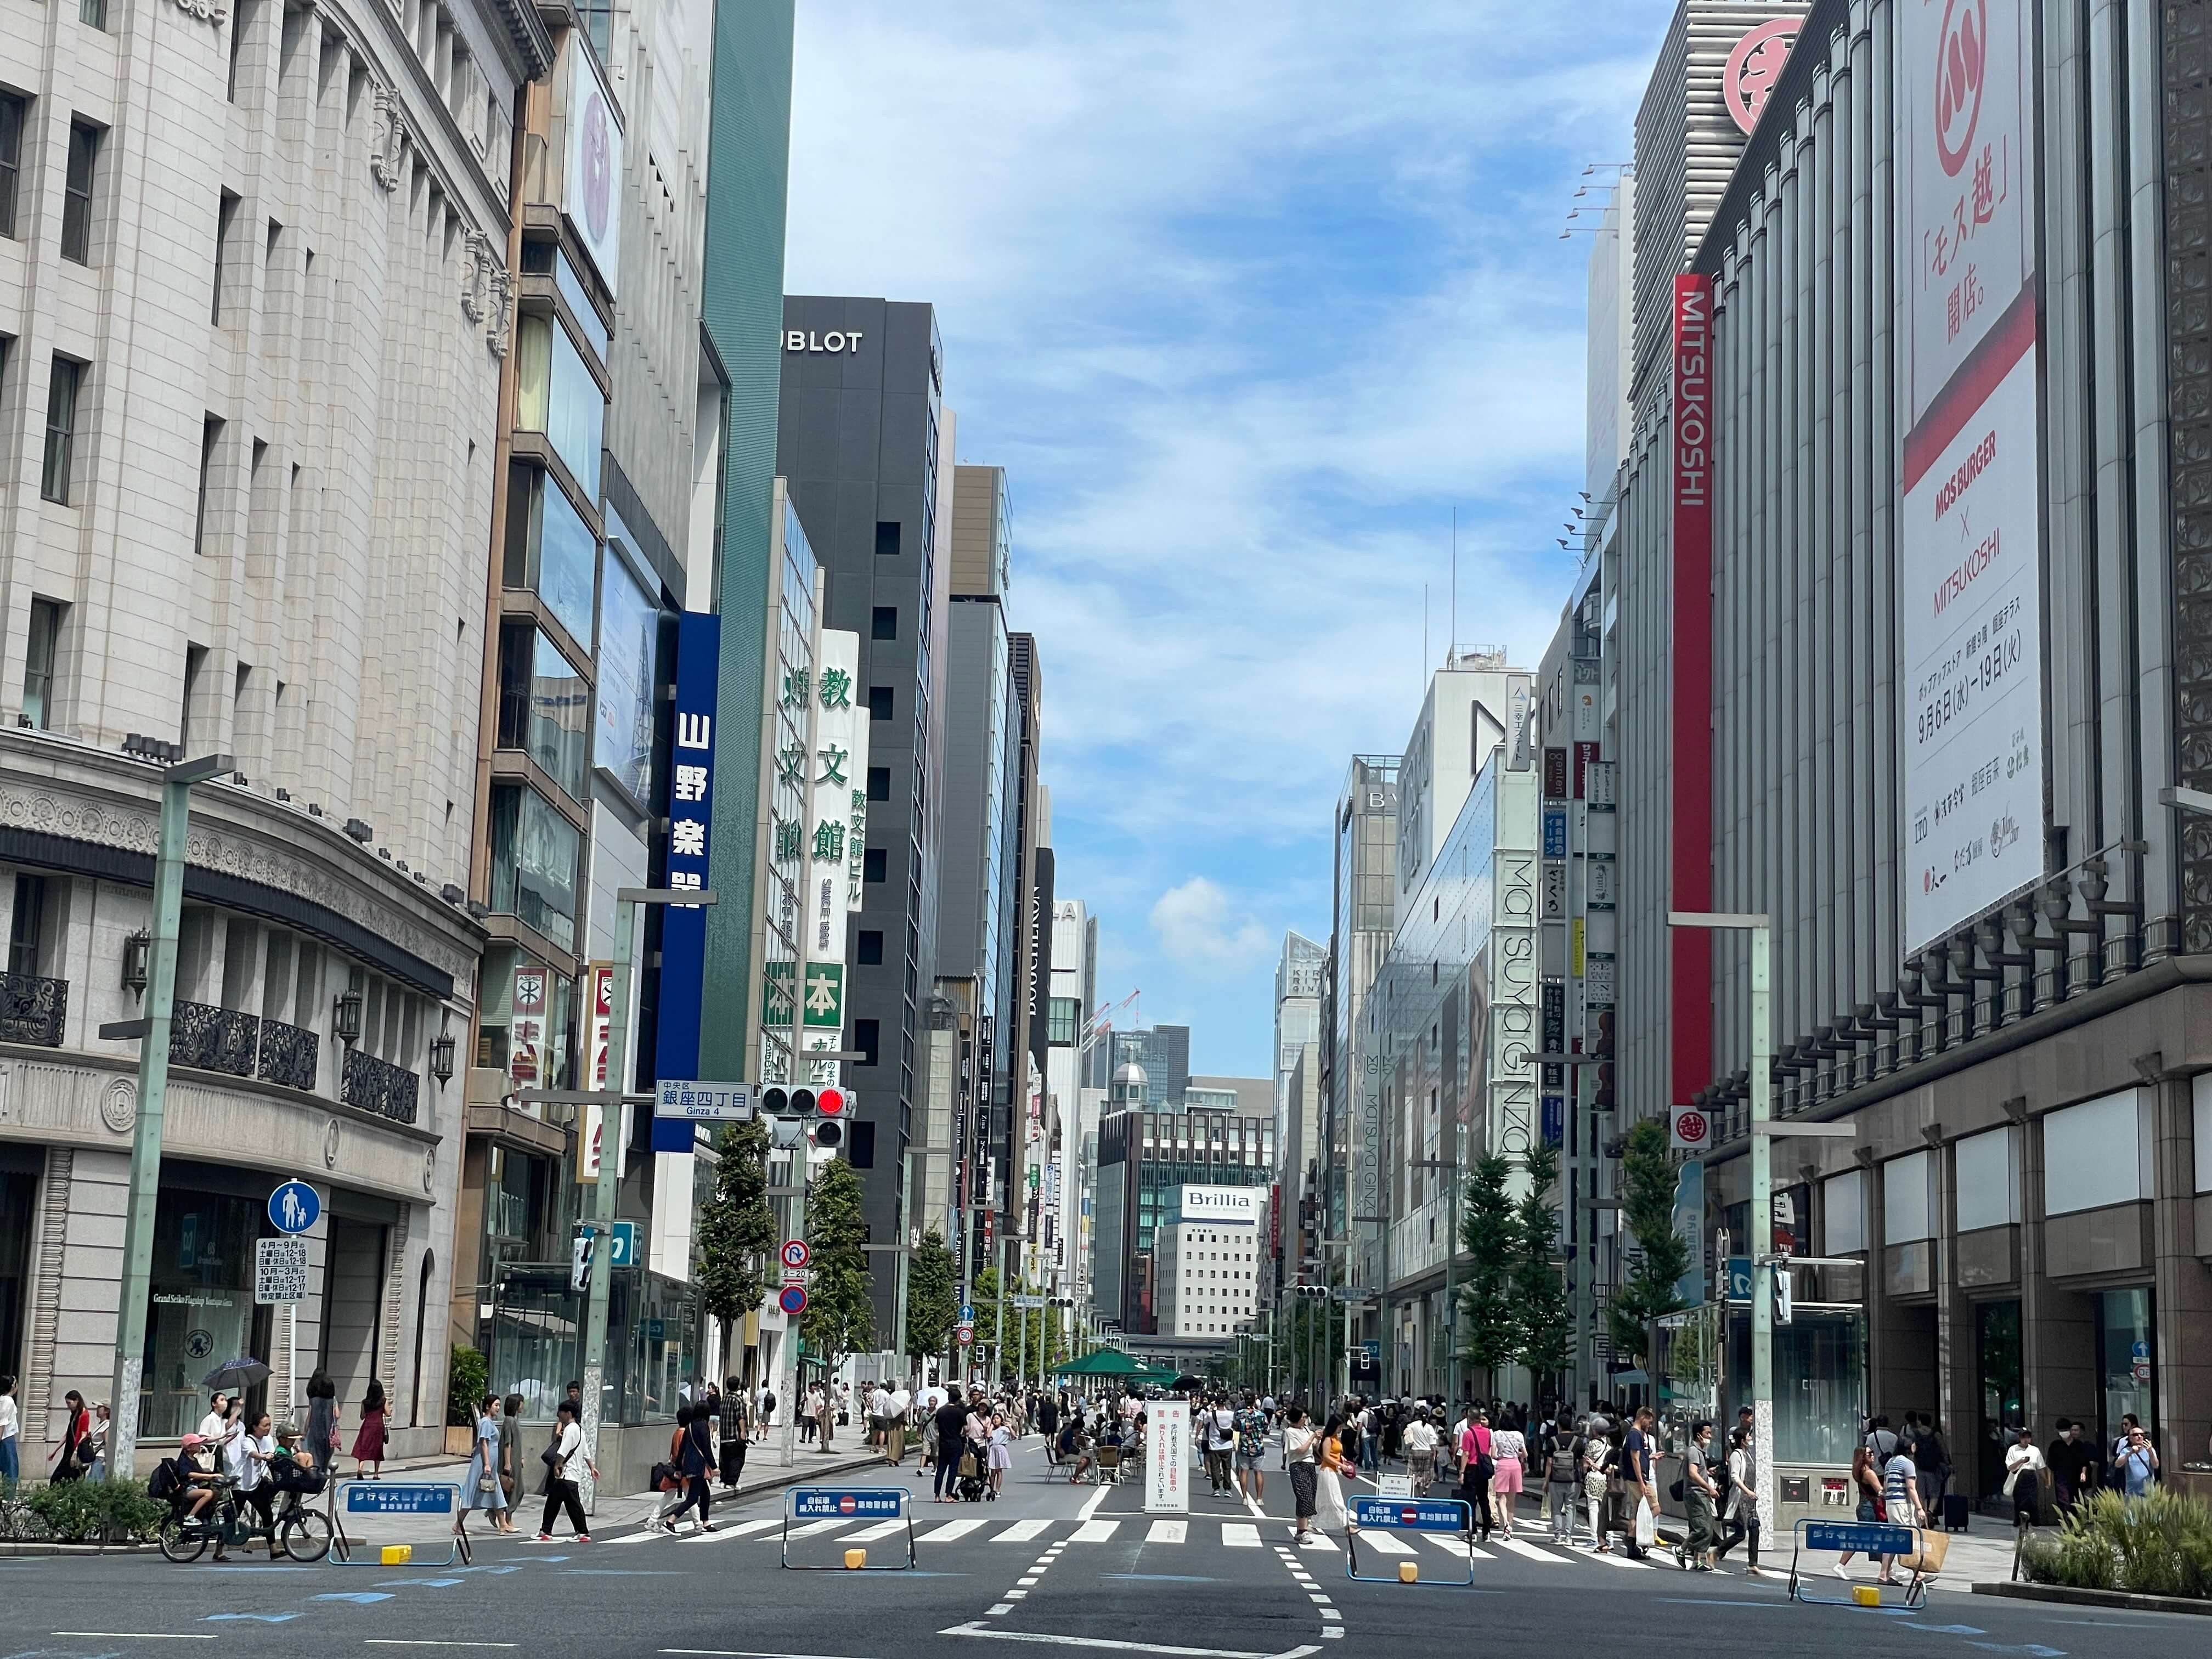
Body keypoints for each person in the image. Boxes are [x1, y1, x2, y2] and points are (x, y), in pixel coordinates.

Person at [536, 1400, 594, 1542]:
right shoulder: (580, 1429)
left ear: (568, 1413)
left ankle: (583, 1532)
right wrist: (592, 1468)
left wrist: (557, 1465)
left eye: (561, 1413)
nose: (559, 1416)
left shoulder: (570, 1429)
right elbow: (586, 1452)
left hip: (567, 1473)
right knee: (554, 1502)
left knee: (573, 1504)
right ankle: (546, 1531)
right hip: (571, 1474)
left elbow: (563, 1450)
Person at [1713, 1425, 1764, 1577]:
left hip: (1750, 1500)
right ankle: (1717, 1552)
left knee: (1755, 1529)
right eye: (1749, 1437)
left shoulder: (1748, 1454)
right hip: (1741, 1498)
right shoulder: (1737, 1455)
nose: (1751, 1439)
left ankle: (1752, 1564)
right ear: (1743, 1440)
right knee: (1741, 1533)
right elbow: (1735, 1477)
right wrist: (1747, 1491)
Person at [224, 1408, 276, 1555]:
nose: (268, 1428)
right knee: (234, 1518)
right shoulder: (247, 1440)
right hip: (241, 1484)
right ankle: (218, 1550)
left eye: (269, 1425)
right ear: (255, 1427)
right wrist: (264, 1456)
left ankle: (273, 1549)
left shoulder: (268, 1439)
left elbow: (273, 1454)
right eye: (265, 1425)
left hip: (256, 1484)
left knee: (267, 1514)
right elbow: (253, 1454)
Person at [1832, 1442, 1886, 1580]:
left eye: (1872, 1452)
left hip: (1864, 1507)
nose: (1873, 1455)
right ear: (1863, 1457)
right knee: (1861, 1538)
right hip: (1868, 1509)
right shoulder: (1868, 1472)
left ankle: (1888, 1569)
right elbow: (1880, 1491)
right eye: (1869, 1454)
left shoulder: (1860, 1471)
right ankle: (1840, 1565)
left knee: (1874, 1539)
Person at [665, 1400, 719, 1532]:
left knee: (705, 1494)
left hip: (689, 1465)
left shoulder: (690, 1426)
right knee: (692, 1498)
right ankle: (670, 1521)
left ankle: (706, 1522)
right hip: (698, 1466)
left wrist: (679, 1469)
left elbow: (682, 1448)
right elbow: (706, 1449)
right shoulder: (704, 1426)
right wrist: (714, 1467)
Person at [1675, 1419, 1720, 1572]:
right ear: (1698, 1435)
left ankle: (1697, 1561)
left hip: (1700, 1493)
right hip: (1695, 1494)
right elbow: (1693, 1474)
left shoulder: (1700, 1451)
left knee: (1704, 1527)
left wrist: (1707, 1473)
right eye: (1707, 1433)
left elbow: (1697, 1471)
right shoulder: (1694, 1451)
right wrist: (1710, 1488)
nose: (1710, 1436)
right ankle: (1681, 1549)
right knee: (1703, 1529)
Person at [459, 1395, 506, 1540]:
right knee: (473, 1491)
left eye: (499, 1405)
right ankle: (458, 1524)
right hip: (483, 1463)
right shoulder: (486, 1422)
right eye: (496, 1405)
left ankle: (503, 1524)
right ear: (488, 1407)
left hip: (489, 1464)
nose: (498, 1408)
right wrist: (486, 1464)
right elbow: (484, 1443)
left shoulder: (490, 1422)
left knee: (495, 1491)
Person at [1619, 1407, 1658, 1561]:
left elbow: (1639, 1458)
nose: (1650, 1425)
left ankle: (1632, 1543)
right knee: (1655, 1509)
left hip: (1635, 1478)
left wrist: (1652, 1457)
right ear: (1642, 1417)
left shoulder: (1634, 1434)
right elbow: (1635, 1459)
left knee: (1636, 1512)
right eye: (1649, 1421)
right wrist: (1642, 1481)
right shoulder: (1635, 1435)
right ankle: (1635, 1537)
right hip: (1639, 1479)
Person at [1457, 1408, 1494, 1543]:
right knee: (1484, 1500)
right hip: (1483, 1469)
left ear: (1470, 1419)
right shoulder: (1488, 1433)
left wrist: (1461, 1473)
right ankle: (1487, 1532)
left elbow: (1466, 1454)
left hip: (1472, 1468)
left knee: (1471, 1501)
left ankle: (1472, 1532)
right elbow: (1488, 1450)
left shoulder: (1468, 1434)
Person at [1284, 1407, 1320, 1539]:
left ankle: (1301, 1530)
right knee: (1304, 1495)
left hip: (1310, 1465)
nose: (1305, 1420)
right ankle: (1304, 1530)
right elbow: (1300, 1450)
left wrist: (1318, 1438)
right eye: (1303, 1417)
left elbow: (1314, 1446)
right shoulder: (1290, 1431)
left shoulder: (1306, 1429)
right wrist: (1312, 1437)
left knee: (1309, 1495)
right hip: (1298, 1465)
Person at [1313, 1413, 1351, 1536]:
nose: (1340, 1429)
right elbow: (1326, 1457)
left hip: (1332, 1471)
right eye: (1339, 1427)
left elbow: (1336, 1454)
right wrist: (1342, 1465)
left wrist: (1342, 1459)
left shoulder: (1335, 1438)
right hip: (1328, 1471)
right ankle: (1347, 1527)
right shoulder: (1328, 1439)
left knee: (1327, 1499)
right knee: (1336, 1500)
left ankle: (1313, 1523)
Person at [1489, 1414, 1526, 1537]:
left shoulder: (1497, 1434)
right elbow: (1525, 1454)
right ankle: (1510, 1525)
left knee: (1502, 1499)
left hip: (1503, 1465)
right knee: (1512, 1499)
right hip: (1516, 1465)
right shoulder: (1519, 1435)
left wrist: (1502, 1456)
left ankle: (1505, 1523)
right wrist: (1517, 1454)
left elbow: (1493, 1454)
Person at [933, 1386, 970, 1503]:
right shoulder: (960, 1412)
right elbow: (966, 1429)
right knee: (952, 1470)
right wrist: (961, 1433)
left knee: (941, 1469)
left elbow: (936, 1427)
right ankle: (948, 1495)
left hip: (943, 1443)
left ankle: (937, 1496)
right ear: (958, 1399)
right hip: (955, 1442)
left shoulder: (941, 1411)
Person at [1909, 1412, 1951, 1516]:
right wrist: (1948, 1463)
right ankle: (1930, 1511)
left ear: (1919, 1421)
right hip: (1933, 1468)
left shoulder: (1914, 1434)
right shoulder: (1936, 1434)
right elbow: (1944, 1450)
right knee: (1934, 1493)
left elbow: (1911, 1450)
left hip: (1918, 1467)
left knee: (1920, 1493)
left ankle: (1922, 1513)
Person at [2046, 1418, 2090, 1515]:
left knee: (2076, 1503)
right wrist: (2049, 1481)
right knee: (2064, 1502)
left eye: (2065, 1430)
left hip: (2077, 1479)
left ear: (2070, 1430)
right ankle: (2067, 1525)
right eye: (2061, 1431)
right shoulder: (2055, 1446)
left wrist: (2083, 1473)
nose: (2063, 1433)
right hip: (2061, 1479)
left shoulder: (2079, 1445)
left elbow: (2084, 1462)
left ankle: (2076, 1525)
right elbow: (2050, 1465)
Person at [1543, 1419, 1578, 1542]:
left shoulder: (1553, 1441)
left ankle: (1557, 1535)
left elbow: (1549, 1463)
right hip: (1573, 1479)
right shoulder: (1577, 1441)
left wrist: (1546, 1481)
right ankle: (1569, 1536)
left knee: (1556, 1508)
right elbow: (1584, 1463)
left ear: (1559, 1426)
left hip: (1555, 1478)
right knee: (1570, 1507)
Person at [2004, 1425, 2046, 1528]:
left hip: (2032, 1477)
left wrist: (2046, 1480)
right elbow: (2010, 1467)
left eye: (2028, 1437)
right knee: (2020, 1502)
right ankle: (2020, 1521)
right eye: (2023, 1437)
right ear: (2020, 1438)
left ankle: (2033, 1522)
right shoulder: (2013, 1449)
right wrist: (2021, 1461)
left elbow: (2041, 1466)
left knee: (2032, 1501)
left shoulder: (2035, 1450)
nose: (2026, 1440)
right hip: (2019, 1478)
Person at [1579, 1421, 1611, 1551]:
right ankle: (1609, 1537)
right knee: (1606, 1510)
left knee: (1593, 1508)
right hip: (1606, 1478)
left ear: (1595, 1430)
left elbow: (1585, 1463)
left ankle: (1594, 1537)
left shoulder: (1593, 1443)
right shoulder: (1608, 1444)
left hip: (1594, 1477)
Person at [496, 1393, 525, 1528]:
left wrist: (521, 1458)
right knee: (514, 1489)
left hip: (515, 1460)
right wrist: (508, 1463)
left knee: (516, 1489)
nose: (523, 1406)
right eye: (521, 1403)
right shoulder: (509, 1420)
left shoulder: (513, 1420)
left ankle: (507, 1517)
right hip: (510, 1462)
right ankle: (506, 1518)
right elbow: (507, 1443)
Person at [1235, 1393, 1269, 1502]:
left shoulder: (1239, 1414)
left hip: (1244, 1446)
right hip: (1258, 1446)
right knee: (1258, 1472)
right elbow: (1267, 1429)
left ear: (1244, 1401)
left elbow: (1235, 1427)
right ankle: (1259, 1498)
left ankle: (1245, 1498)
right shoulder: (1261, 1415)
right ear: (1255, 1401)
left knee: (1244, 1472)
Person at [50, 1390, 90, 1482]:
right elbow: (67, 1434)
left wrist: (75, 1453)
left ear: (77, 1401)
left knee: (64, 1477)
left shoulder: (84, 1415)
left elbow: (83, 1435)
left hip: (75, 1450)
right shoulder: (75, 1414)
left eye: (69, 1403)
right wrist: (55, 1450)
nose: (68, 1406)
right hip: (69, 1450)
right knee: (61, 1477)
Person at [306, 1369, 338, 1478]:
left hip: (315, 1429)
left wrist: (305, 1431)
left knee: (315, 1453)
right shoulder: (332, 1400)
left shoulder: (313, 1399)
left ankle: (316, 1475)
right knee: (327, 1454)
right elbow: (337, 1415)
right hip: (329, 1429)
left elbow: (310, 1415)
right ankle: (323, 1474)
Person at [719, 1376, 751, 1487]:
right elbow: (741, 1417)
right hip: (734, 1435)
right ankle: (731, 1482)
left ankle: (723, 1480)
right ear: (738, 1386)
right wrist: (743, 1432)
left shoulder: (725, 1398)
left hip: (724, 1435)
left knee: (725, 1459)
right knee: (737, 1459)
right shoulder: (737, 1399)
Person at [353, 1381, 388, 1479]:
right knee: (377, 1448)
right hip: (378, 1426)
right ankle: (376, 1474)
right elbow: (388, 1413)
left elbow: (362, 1416)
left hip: (367, 1426)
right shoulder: (383, 1401)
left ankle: (360, 1469)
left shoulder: (365, 1402)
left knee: (363, 1447)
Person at [1403, 1406, 1439, 1499]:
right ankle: (1425, 1491)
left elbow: (1406, 1432)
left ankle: (1418, 1494)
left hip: (1415, 1451)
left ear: (1417, 1415)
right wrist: (1434, 1454)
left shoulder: (1413, 1425)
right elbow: (1433, 1443)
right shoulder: (1429, 1427)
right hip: (1427, 1452)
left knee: (1415, 1473)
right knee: (1427, 1474)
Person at [2117, 1424, 2159, 1498]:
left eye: (2142, 1435)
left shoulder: (2150, 1450)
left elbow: (2156, 1465)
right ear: (2130, 1438)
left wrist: (2150, 1452)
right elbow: (2117, 1464)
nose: (2139, 1436)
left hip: (2148, 1494)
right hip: (2132, 1494)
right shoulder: (2126, 1451)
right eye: (2136, 1435)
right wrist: (2130, 1453)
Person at [987, 1411, 1013, 1499]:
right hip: (992, 1449)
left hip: (1001, 1449)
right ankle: (992, 1489)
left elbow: (1014, 1436)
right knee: (992, 1471)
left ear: (1001, 1420)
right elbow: (988, 1436)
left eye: (997, 1419)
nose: (995, 1420)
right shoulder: (991, 1429)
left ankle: (998, 1489)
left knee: (999, 1471)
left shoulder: (1004, 1429)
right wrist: (991, 1427)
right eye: (994, 1419)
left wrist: (1009, 1427)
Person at [82, 1403, 109, 1483]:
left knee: (94, 1482)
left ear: (106, 1411)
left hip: (101, 1457)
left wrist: (107, 1459)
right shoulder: (101, 1424)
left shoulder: (107, 1424)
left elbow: (107, 1442)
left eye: (100, 1407)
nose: (97, 1409)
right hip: (95, 1457)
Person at [888, 1380, 912, 1465]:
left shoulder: (891, 1407)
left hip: (891, 1426)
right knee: (897, 1443)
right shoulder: (901, 1409)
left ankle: (891, 1458)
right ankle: (894, 1458)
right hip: (899, 1427)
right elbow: (904, 1420)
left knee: (891, 1442)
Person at [1036, 1390, 1060, 1468]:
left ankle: (1048, 1445)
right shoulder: (1054, 1406)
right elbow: (1057, 1414)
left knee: (1047, 1434)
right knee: (1052, 1433)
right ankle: (1052, 1444)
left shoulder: (1043, 1406)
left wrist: (1040, 1421)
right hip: (1053, 1421)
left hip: (1046, 1421)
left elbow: (1040, 1414)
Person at [0, 1375, 16, 1484]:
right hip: (7, 1438)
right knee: (11, 1470)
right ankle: (8, 1498)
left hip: (6, 1438)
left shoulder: (3, 1399)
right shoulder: (8, 1401)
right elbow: (2, 1422)